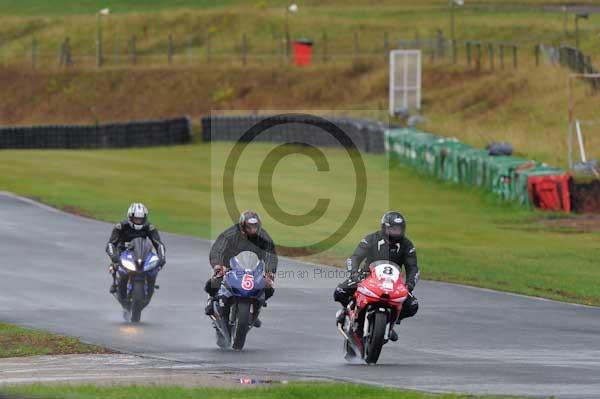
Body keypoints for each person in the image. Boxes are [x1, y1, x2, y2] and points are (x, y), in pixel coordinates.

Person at [333, 211, 420, 341]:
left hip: (393, 281)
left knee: (412, 305)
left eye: (399, 229)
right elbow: (354, 258)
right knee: (340, 291)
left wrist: (410, 284)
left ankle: (391, 323)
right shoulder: (371, 239)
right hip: (367, 276)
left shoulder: (407, 245)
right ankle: (346, 312)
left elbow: (413, 267)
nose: (396, 232)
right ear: (384, 228)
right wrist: (354, 274)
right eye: (393, 229)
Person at [205, 211, 277, 327]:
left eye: (255, 226)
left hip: (253, 268)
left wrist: (270, 272)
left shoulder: (264, 237)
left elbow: (271, 256)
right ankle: (211, 301)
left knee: (269, 286)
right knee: (215, 281)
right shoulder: (230, 234)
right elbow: (217, 249)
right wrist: (218, 265)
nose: (252, 230)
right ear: (242, 226)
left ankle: (254, 311)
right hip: (229, 265)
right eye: (249, 227)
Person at [106, 203, 166, 294]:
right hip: (123, 251)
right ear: (130, 217)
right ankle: (115, 282)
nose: (138, 221)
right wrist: (114, 257)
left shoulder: (149, 227)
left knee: (154, 266)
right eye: (136, 219)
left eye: (141, 219)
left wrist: (162, 258)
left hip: (142, 252)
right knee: (115, 264)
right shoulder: (120, 226)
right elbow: (110, 244)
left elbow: (159, 244)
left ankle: (150, 284)